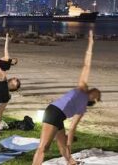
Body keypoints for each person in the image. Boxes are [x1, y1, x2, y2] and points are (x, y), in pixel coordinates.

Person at [32, 31, 101, 165]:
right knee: (43, 147)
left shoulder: (82, 109)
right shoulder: (82, 88)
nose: (97, 92)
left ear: (93, 100)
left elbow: (73, 128)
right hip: (53, 112)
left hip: (59, 118)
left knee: (63, 146)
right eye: (97, 92)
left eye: (98, 95)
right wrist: (90, 44)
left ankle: (71, 162)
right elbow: (86, 65)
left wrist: (69, 144)